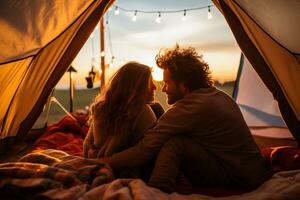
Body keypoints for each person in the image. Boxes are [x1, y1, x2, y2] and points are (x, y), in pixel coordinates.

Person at [101, 45, 266, 193]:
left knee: (175, 142)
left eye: (167, 83)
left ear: (184, 85)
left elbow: (144, 150)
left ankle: (157, 192)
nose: (163, 89)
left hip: (237, 178)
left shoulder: (190, 108)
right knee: (159, 112)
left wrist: (101, 161)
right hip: (250, 170)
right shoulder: (215, 95)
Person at [83, 62, 158, 160]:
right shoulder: (142, 111)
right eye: (149, 83)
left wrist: (92, 157)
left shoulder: (101, 108)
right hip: (123, 168)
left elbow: (87, 147)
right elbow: (147, 152)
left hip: (98, 163)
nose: (155, 87)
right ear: (136, 87)